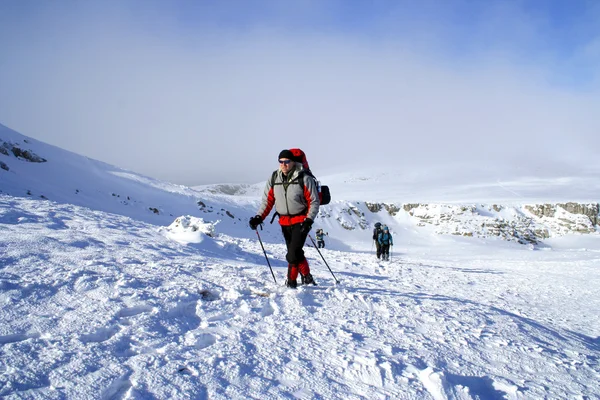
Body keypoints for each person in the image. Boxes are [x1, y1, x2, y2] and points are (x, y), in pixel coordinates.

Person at [249, 149, 320, 288]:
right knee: (295, 252)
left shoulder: (304, 178)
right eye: (281, 162)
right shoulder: (274, 177)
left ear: (293, 162)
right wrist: (259, 217)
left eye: (287, 161)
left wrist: (309, 220)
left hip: (301, 221)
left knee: (292, 254)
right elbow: (268, 201)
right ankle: (307, 276)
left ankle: (291, 281)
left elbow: (314, 201)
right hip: (284, 221)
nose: (284, 164)